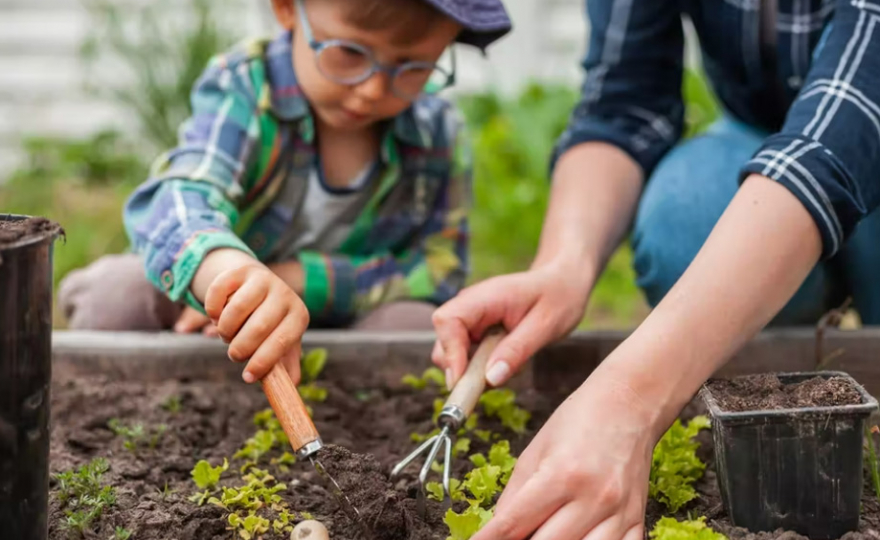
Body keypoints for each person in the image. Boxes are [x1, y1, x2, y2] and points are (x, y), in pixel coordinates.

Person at [432, 1, 880, 539]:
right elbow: (624, 103)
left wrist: (629, 399)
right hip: (762, 132)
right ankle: (781, 336)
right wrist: (562, 266)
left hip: (851, 131)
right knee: (683, 225)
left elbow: (834, 139)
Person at [58, 0, 512, 385]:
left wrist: (296, 279)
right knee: (115, 296)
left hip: (349, 319)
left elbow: (439, 271)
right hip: (213, 302)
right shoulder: (246, 87)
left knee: (417, 329)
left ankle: (333, 408)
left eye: (413, 68)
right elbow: (182, 194)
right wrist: (229, 277)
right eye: (349, 52)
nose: (372, 89)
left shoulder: (438, 131)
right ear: (286, 8)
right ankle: (166, 397)